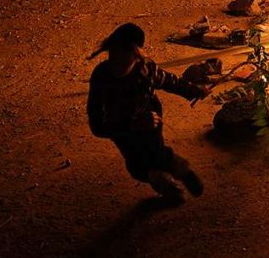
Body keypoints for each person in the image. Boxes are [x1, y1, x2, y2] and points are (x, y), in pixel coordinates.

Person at [87, 23, 208, 202]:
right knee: (137, 166)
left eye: (123, 60)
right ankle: (170, 182)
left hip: (150, 120)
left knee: (155, 152)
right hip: (121, 129)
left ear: (136, 57)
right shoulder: (102, 77)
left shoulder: (145, 69)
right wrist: (129, 124)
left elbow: (167, 80)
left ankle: (179, 173)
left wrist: (192, 90)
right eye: (114, 58)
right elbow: (96, 124)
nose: (117, 66)